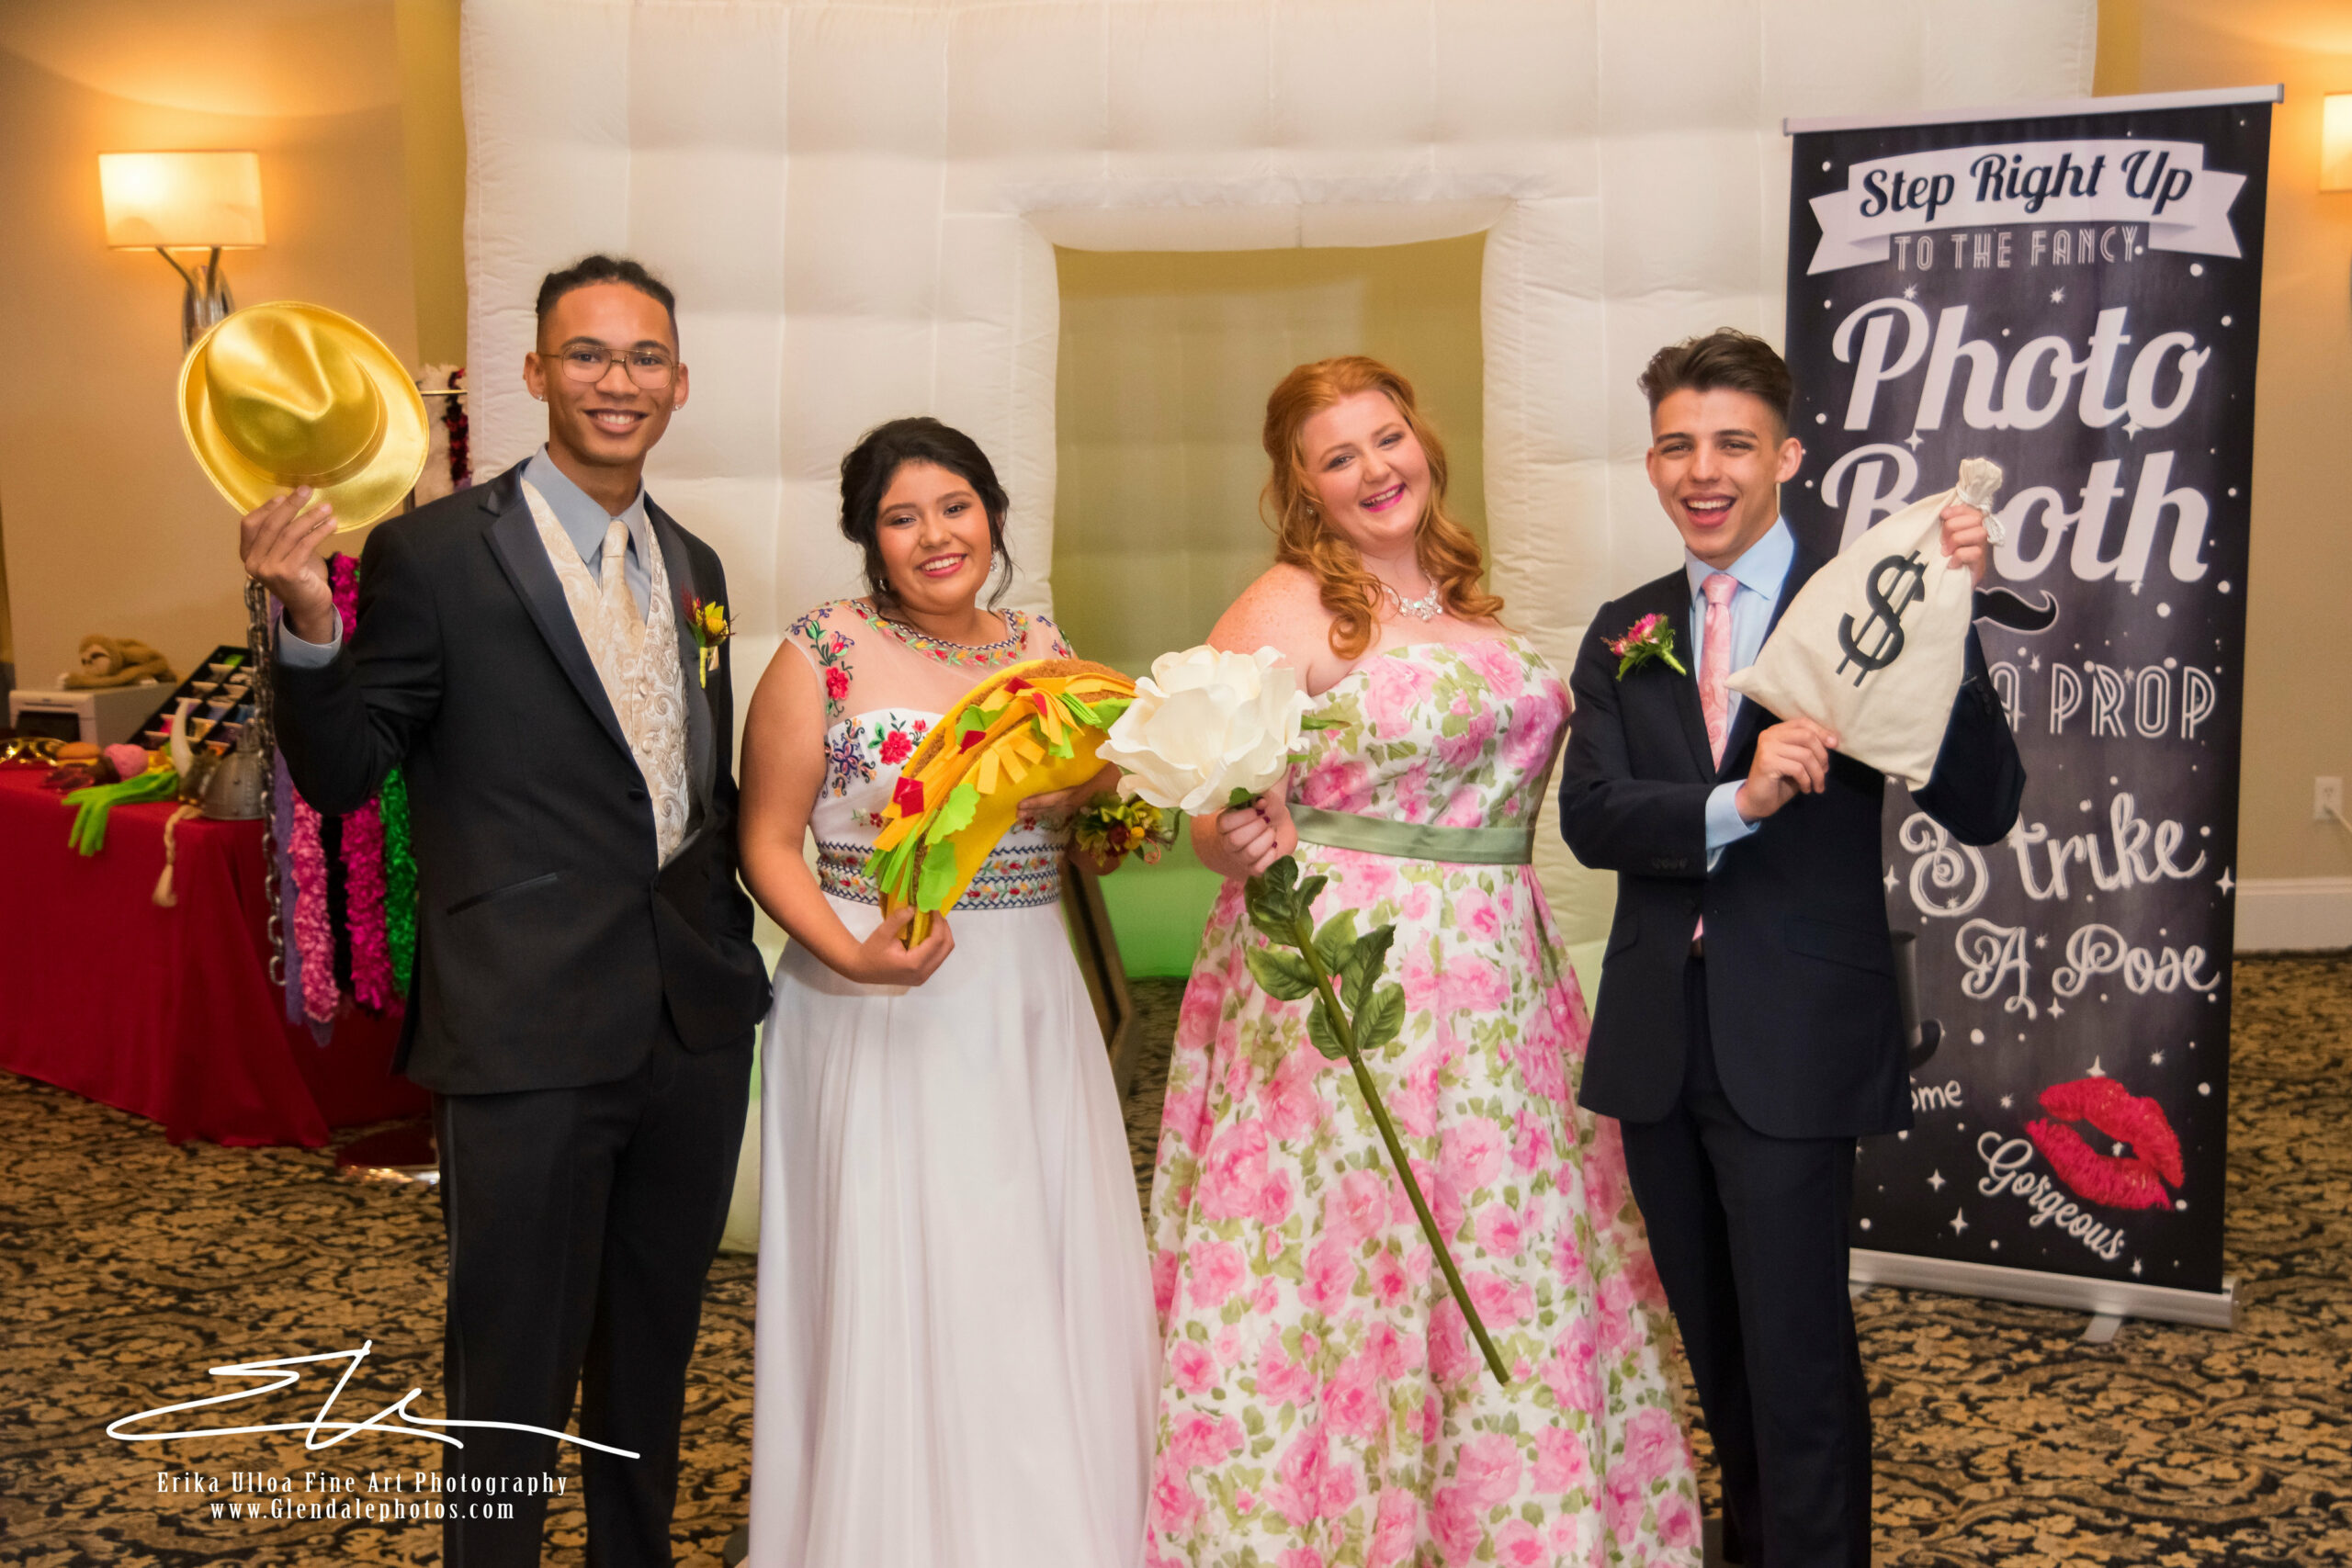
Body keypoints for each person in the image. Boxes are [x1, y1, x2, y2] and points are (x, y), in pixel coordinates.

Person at [240, 254, 771, 1568]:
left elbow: (692, 785)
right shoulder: (431, 553)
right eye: (587, 354)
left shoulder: (696, 562)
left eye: (644, 357)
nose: (617, 380)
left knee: (653, 1346)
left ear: (680, 383)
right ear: (533, 373)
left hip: (688, 1026)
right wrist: (309, 619)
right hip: (521, 1025)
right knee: (511, 1368)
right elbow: (348, 763)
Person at [1147, 356, 1703, 1566]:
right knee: (1371, 1254)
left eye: (1387, 437)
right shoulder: (1287, 606)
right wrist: (1228, 835)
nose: (1374, 468)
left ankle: (1509, 1520)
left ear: (1423, 444)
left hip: (1505, 978)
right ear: (1300, 487)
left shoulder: (1467, 596)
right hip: (1358, 986)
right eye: (1336, 456)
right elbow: (1212, 807)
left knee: (1507, 1249)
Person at [1559, 329, 2025, 1567]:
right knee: (1717, 1350)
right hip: (1659, 1039)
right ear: (1651, 461)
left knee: (1799, 1360)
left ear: (1787, 456)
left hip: (1796, 1035)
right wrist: (1736, 801)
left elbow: (1981, 804)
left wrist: (1954, 614)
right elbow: (1593, 815)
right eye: (1677, 443)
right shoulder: (1625, 628)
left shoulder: (1866, 594)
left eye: (1732, 443)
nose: (1702, 469)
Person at [735, 417, 1158, 1567]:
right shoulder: (821, 650)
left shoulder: (1041, 643)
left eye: (956, 506)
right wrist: (849, 951)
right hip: (877, 991)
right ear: (868, 540)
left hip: (1024, 987)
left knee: (1026, 1256)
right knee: (904, 1261)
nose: (936, 536)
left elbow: (1075, 801)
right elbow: (766, 843)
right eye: (902, 517)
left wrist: (1108, 806)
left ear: (994, 515)